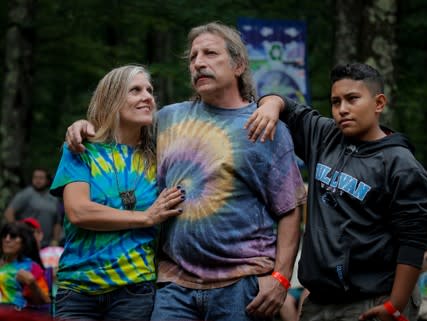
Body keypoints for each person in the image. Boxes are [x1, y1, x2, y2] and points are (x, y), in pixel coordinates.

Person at [65, 22, 307, 320]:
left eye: (210, 53)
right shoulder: (167, 119)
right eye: (193, 57)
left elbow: (290, 208)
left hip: (241, 285)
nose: (199, 63)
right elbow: (118, 135)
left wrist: (282, 278)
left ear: (239, 65)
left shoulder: (266, 126)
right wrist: (84, 126)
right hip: (173, 285)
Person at [245, 62, 427, 321]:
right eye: (336, 102)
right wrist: (269, 105)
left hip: (373, 301)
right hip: (318, 302)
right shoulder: (324, 136)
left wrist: (396, 304)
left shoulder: (400, 164)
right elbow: (285, 104)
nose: (342, 109)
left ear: (379, 103)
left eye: (352, 99)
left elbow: (414, 240)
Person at [49, 65, 185, 321]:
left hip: (134, 290)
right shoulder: (81, 149)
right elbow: (79, 211)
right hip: (78, 289)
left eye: (149, 90)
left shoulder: (162, 156)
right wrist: (146, 217)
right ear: (111, 99)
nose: (147, 96)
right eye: (135, 90)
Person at [3, 168, 62, 248]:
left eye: (41, 178)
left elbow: (57, 222)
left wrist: (55, 240)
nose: (38, 180)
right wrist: (17, 232)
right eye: (35, 177)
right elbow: (8, 213)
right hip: (28, 243)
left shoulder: (53, 197)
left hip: (47, 244)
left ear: (47, 180)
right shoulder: (26, 194)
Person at [0, 221, 50, 311]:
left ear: (23, 242)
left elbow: (44, 301)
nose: (7, 239)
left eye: (13, 236)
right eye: (4, 236)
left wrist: (32, 283)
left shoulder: (31, 267)